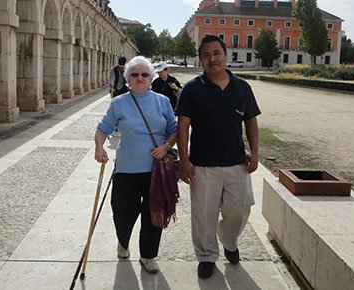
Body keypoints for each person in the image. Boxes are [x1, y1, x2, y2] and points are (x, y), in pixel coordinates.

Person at [175, 35, 260, 279]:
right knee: (204, 215)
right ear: (201, 60)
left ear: (226, 55)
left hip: (237, 163)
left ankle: (229, 241)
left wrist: (254, 153)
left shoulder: (242, 87)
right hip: (203, 165)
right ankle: (206, 256)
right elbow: (183, 127)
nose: (212, 59)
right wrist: (184, 161)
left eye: (216, 53)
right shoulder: (192, 89)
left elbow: (251, 121)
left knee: (240, 210)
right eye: (206, 55)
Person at [94, 56, 177, 274]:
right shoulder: (118, 103)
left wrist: (166, 147)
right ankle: (123, 241)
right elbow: (103, 128)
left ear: (151, 77)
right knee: (122, 213)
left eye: (144, 74)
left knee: (154, 215)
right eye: (134, 74)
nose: (140, 78)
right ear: (127, 78)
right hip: (126, 169)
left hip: (155, 171)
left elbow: (174, 130)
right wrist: (99, 147)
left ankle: (148, 256)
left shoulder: (162, 101)